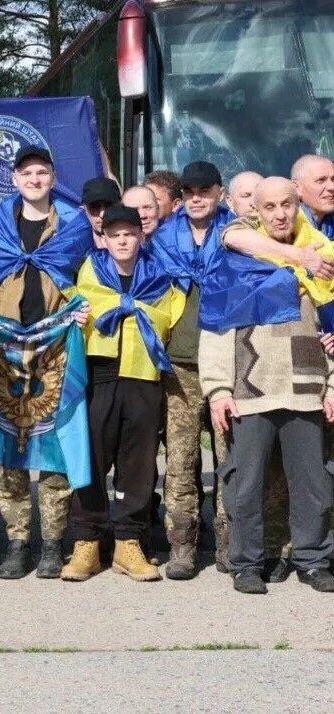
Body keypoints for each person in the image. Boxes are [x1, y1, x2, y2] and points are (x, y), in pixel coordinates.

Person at [202, 176, 334, 595]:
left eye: (287, 204)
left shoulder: (325, 259)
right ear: (254, 210)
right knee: (246, 485)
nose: (280, 214)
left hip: (308, 388)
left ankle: (313, 560)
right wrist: (219, 389)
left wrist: (333, 386)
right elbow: (217, 327)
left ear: (299, 205)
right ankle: (247, 563)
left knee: (314, 483)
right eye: (270, 206)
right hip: (250, 391)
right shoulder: (238, 260)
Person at [0, 146, 93, 580]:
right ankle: (17, 542)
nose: (35, 179)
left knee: (55, 448)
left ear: (53, 176)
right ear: (14, 179)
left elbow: (87, 278)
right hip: (6, 352)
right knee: (10, 451)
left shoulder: (73, 226)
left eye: (42, 172)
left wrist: (80, 310)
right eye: (27, 173)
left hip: (55, 349)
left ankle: (51, 544)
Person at [61, 204, 184, 583]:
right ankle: (87, 542)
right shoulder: (89, 271)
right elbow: (75, 310)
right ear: (103, 238)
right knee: (92, 459)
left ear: (141, 235)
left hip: (142, 375)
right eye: (114, 234)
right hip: (99, 375)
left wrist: (135, 309)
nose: (122, 240)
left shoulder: (159, 274)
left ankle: (130, 541)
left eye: (129, 233)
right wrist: (78, 316)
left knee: (139, 462)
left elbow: (170, 317)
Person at [148, 161, 241, 579]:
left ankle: (229, 538)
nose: (197, 197)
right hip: (181, 362)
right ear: (181, 196)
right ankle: (182, 543)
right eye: (189, 191)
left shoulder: (239, 234)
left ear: (220, 192)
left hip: (230, 361)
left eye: (205, 190)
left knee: (230, 455)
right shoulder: (162, 237)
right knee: (182, 457)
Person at [293, 154, 334, 237]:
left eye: (333, 180)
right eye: (321, 180)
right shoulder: (285, 226)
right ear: (297, 188)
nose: (332, 187)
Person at [81, 176, 122, 248]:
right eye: (94, 206)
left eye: (109, 205)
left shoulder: (138, 244)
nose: (102, 214)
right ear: (84, 209)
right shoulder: (73, 250)